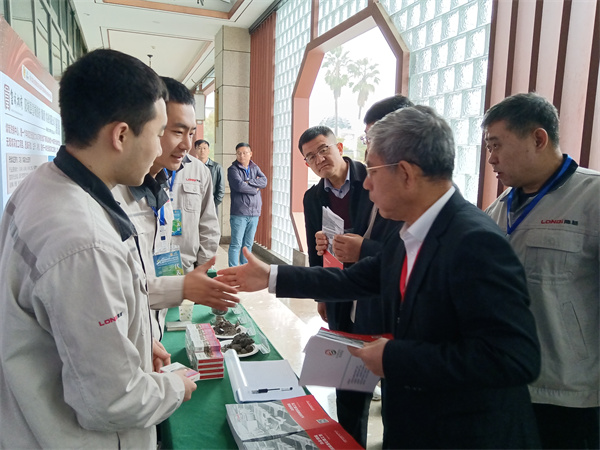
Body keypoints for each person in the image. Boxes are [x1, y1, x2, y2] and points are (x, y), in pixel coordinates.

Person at [218, 106, 542, 449]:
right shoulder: (413, 231)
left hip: (464, 434)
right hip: (414, 425)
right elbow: (352, 281)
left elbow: (514, 358)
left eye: (372, 170)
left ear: (405, 173)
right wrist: (271, 275)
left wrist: (394, 357)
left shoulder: (475, 242)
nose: (367, 183)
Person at [0, 49, 197, 449]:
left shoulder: (44, 184)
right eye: (159, 132)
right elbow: (112, 402)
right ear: (121, 135)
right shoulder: (83, 243)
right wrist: (175, 386)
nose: (161, 148)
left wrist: (134, 341)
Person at [483, 92, 599, 449]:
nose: (491, 158)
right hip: (507, 383)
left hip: (570, 394)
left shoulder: (592, 197)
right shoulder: (498, 210)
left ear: (537, 138)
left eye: (497, 145)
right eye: (488, 148)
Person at [299, 124, 401, 447]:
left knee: (392, 389)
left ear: (339, 147)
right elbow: (315, 251)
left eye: (323, 149)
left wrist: (360, 247)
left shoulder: (372, 180)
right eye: (310, 157)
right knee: (348, 385)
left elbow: (396, 243)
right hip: (341, 294)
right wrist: (321, 294)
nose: (319, 159)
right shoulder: (313, 197)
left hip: (378, 295)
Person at [112, 77, 238, 340]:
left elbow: (208, 224)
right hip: (148, 292)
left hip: (182, 275)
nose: (187, 144)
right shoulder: (117, 187)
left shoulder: (194, 172)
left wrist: (199, 272)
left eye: (191, 133)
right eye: (176, 132)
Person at [227, 142, 267, 266]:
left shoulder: (255, 167)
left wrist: (248, 182)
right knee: (236, 244)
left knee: (248, 244)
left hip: (254, 212)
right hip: (239, 212)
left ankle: (245, 268)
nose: (242, 156)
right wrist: (255, 189)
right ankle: (233, 270)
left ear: (250, 154)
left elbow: (264, 181)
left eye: (245, 153)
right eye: (239, 153)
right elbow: (239, 186)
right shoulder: (232, 169)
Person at [192, 139, 225, 214]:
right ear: (196, 150)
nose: (202, 151)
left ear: (208, 151)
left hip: (211, 205)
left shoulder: (217, 167)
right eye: (199, 148)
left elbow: (221, 190)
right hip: (194, 205)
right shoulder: (192, 167)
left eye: (204, 148)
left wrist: (213, 204)